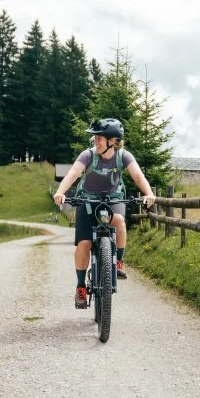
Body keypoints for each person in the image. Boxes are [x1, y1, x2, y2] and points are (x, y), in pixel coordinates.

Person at [53, 118, 156, 309]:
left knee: (119, 221)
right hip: (88, 200)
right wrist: (61, 192)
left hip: (113, 199)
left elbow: (138, 176)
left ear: (113, 141)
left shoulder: (123, 156)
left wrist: (149, 194)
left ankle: (118, 262)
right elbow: (73, 174)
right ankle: (81, 287)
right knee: (84, 243)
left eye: (99, 138)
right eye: (95, 138)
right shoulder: (88, 155)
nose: (95, 141)